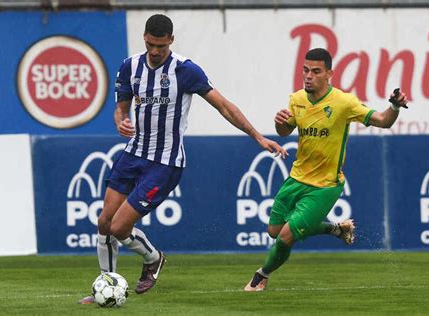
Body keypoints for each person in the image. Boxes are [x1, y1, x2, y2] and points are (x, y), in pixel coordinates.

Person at [80, 14, 287, 303]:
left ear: (171, 42)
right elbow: (120, 108)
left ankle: (153, 259)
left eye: (161, 47)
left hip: (165, 163)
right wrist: (120, 121)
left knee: (119, 227)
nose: (155, 51)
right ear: (144, 38)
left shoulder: (185, 70)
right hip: (133, 154)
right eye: (151, 44)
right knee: (104, 221)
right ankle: (105, 284)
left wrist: (257, 136)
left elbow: (224, 107)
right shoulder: (130, 67)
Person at [244, 48, 408, 292]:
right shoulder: (296, 99)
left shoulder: (344, 102)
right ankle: (337, 228)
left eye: (316, 71)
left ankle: (260, 277)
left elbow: (383, 121)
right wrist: (280, 123)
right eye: (306, 70)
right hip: (296, 179)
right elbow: (285, 131)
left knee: (285, 237)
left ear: (329, 73)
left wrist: (394, 106)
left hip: (325, 186)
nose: (309, 76)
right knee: (273, 231)